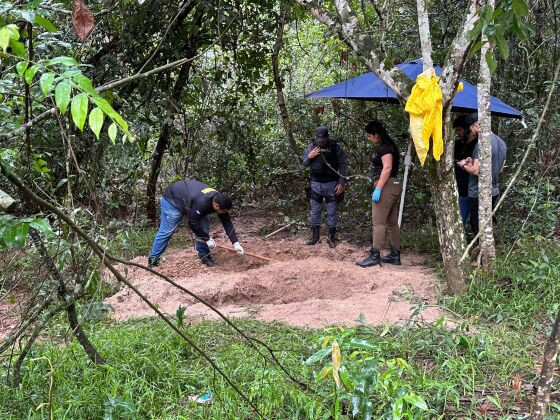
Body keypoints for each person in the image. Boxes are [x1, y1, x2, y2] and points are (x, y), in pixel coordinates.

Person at [147, 179, 244, 268]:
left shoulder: (220, 200)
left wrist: (236, 243)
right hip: (172, 200)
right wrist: (207, 238)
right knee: (167, 231)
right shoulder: (203, 202)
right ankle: (153, 260)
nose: (224, 213)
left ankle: (204, 256)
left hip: (190, 202)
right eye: (223, 211)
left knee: (203, 226)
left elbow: (227, 223)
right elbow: (192, 222)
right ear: (217, 206)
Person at [357, 121, 402, 267]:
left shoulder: (385, 147)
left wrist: (379, 188)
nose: (369, 138)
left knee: (378, 222)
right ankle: (395, 254)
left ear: (377, 134)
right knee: (392, 223)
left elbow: (387, 168)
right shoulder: (389, 145)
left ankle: (375, 254)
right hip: (394, 185)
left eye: (370, 136)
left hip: (386, 185)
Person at [456, 113, 507, 236]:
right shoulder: (501, 142)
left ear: (477, 125)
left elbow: (476, 171)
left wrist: (463, 164)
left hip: (478, 192)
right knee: (484, 224)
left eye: (471, 128)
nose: (471, 132)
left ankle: (482, 252)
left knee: (476, 225)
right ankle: (483, 250)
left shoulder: (482, 143)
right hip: (493, 190)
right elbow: (498, 167)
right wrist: (472, 161)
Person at [301, 125, 348, 248]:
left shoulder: (335, 147)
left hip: (332, 184)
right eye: (319, 139)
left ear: (327, 137)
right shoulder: (311, 147)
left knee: (332, 211)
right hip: (316, 183)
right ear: (316, 138)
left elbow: (343, 165)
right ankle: (315, 237)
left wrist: (341, 183)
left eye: (323, 139)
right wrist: (310, 157)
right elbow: (304, 164)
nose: (321, 141)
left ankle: (331, 237)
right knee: (315, 211)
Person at [453, 114, 478, 226]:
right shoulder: (457, 144)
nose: (457, 133)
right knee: (459, 219)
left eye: (459, 130)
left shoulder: (477, 144)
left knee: (475, 221)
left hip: (472, 188)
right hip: (459, 187)